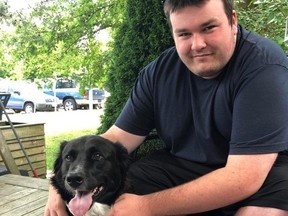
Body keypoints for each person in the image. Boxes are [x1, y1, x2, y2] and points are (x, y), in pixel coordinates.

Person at [45, 0, 288, 215]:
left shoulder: (263, 67)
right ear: (173, 33)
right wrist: (62, 180)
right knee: (115, 188)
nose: (197, 44)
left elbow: (242, 178)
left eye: (209, 28)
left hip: (263, 170)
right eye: (184, 34)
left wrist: (147, 207)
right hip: (183, 166)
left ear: (232, 21)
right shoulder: (159, 73)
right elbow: (116, 140)